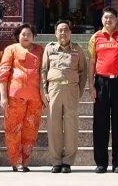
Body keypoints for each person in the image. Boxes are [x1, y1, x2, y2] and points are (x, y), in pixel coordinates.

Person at [87, 6, 118, 174]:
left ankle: (117, 162)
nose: (108, 20)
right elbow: (92, 63)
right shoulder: (95, 38)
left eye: (111, 18)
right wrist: (90, 85)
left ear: (116, 20)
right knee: (100, 123)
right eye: (106, 17)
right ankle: (101, 162)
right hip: (101, 83)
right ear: (102, 20)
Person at [41, 18, 88, 173]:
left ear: (70, 32)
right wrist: (44, 91)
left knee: (71, 126)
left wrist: (79, 92)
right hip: (53, 89)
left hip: (71, 90)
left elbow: (83, 72)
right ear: (55, 33)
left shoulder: (78, 49)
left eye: (66, 30)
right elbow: (43, 71)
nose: (63, 33)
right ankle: (56, 161)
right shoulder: (49, 48)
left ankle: (67, 162)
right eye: (60, 30)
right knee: (53, 125)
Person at [0, 23, 45, 172]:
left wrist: (44, 96)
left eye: (29, 34)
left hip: (35, 97)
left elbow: (43, 72)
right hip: (14, 96)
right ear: (18, 35)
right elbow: (3, 73)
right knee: (13, 130)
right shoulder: (11, 49)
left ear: (33, 36)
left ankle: (24, 161)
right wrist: (3, 97)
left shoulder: (39, 50)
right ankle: (15, 161)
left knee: (31, 130)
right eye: (23, 34)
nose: (26, 37)